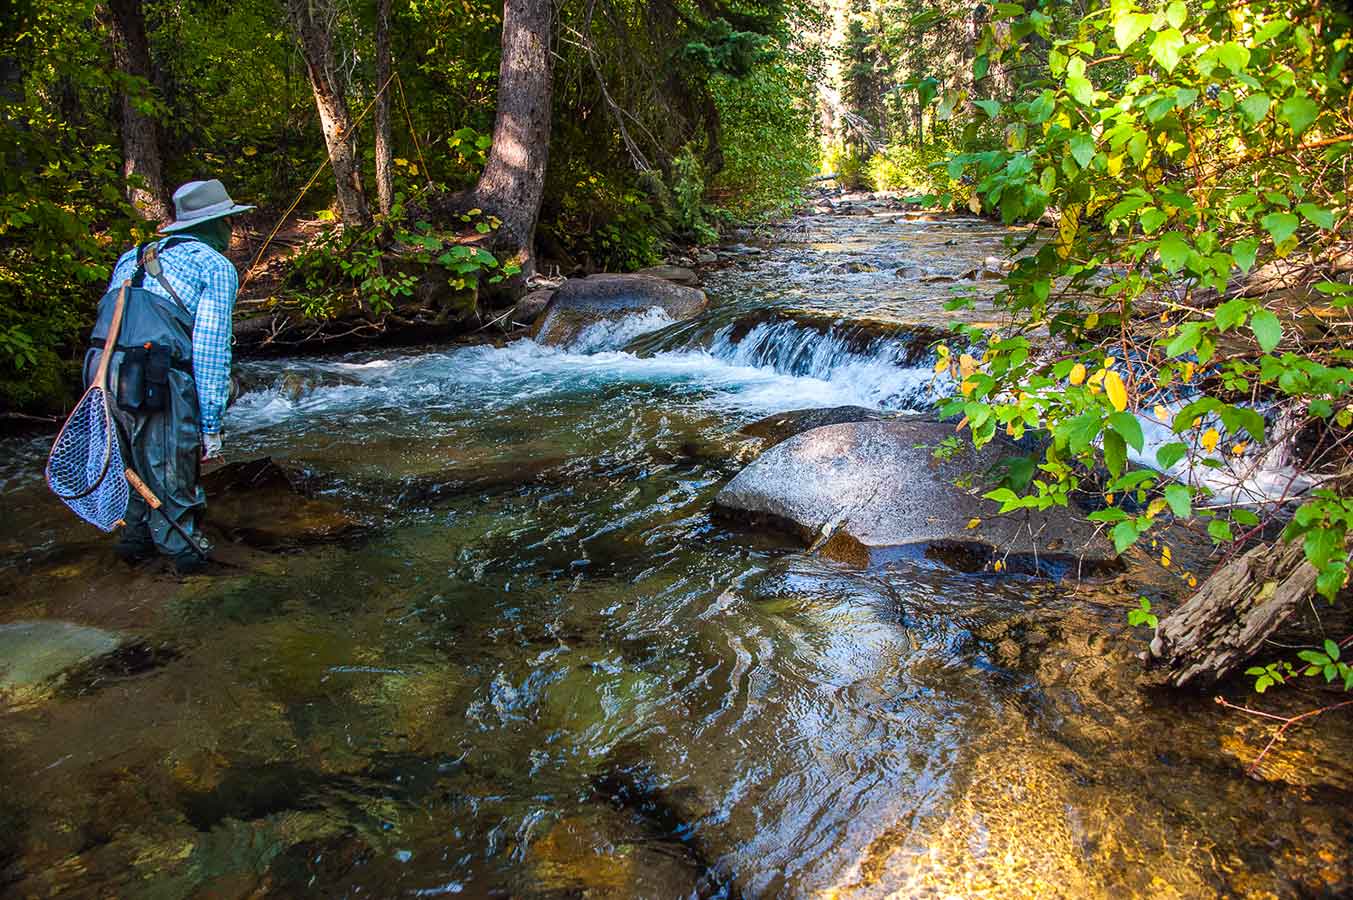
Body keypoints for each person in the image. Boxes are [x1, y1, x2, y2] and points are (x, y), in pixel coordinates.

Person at [85, 179, 253, 574]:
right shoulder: (214, 265)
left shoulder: (132, 256)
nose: (231, 230)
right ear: (209, 225)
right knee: (171, 474)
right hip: (155, 379)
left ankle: (133, 553)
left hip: (100, 374)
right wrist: (210, 428)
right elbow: (211, 352)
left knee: (124, 466)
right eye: (226, 222)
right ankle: (187, 564)